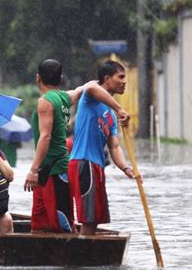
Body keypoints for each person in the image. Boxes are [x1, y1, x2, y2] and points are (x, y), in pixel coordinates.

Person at [24, 59, 129, 233]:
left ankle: (71, 255)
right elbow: (83, 89)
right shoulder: (64, 98)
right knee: (40, 221)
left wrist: (33, 170)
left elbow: (45, 137)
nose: (124, 81)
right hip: (49, 169)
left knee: (61, 223)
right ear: (61, 78)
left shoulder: (45, 101)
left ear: (38, 78)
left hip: (54, 169)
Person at [68, 60, 136, 235]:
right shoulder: (91, 96)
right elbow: (91, 87)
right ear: (107, 79)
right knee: (88, 220)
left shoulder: (111, 117)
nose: (124, 81)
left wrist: (126, 168)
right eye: (120, 77)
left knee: (95, 219)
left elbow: (114, 147)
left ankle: (87, 256)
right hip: (84, 163)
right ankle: (82, 258)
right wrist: (120, 108)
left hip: (97, 167)